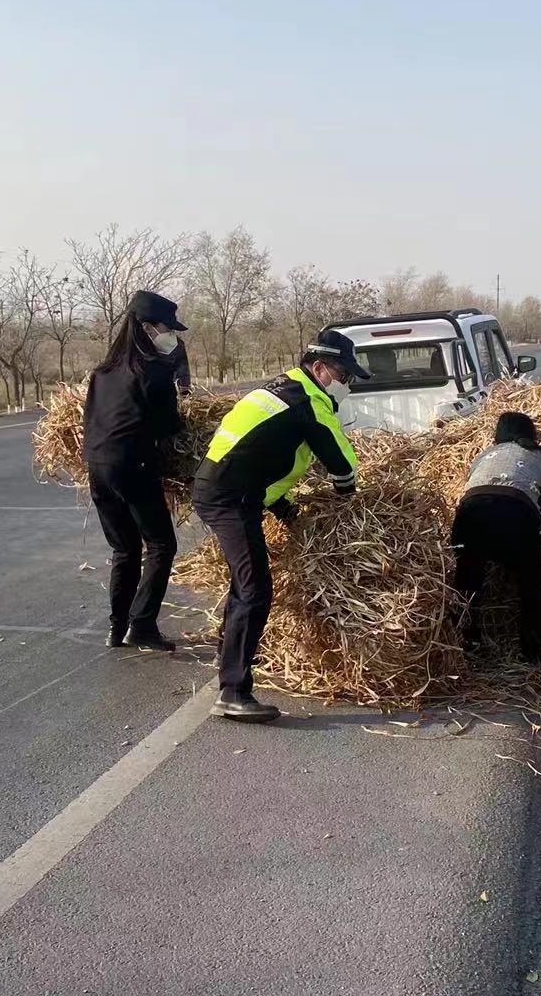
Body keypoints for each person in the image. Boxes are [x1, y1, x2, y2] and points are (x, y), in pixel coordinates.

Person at [192, 330, 367, 722]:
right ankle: (233, 691)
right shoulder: (307, 400)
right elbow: (342, 462)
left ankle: (228, 655)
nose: (346, 385)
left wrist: (285, 509)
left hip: (232, 489)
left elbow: (263, 453)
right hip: (231, 497)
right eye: (344, 375)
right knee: (254, 589)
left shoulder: (283, 389)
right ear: (319, 367)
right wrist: (351, 500)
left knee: (245, 585)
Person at [82, 289, 187, 652]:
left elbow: (91, 420)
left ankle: (117, 628)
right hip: (133, 464)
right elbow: (169, 426)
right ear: (146, 327)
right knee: (161, 545)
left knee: (124, 549)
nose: (171, 335)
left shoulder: (102, 372)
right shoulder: (153, 371)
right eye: (166, 327)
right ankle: (141, 625)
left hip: (98, 465)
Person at [451, 411, 541, 662]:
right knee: (531, 583)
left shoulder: (482, 455)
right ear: (530, 433)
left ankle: (466, 641)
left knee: (467, 579)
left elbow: (471, 487)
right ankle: (531, 650)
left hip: (469, 513)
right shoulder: (539, 458)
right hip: (514, 513)